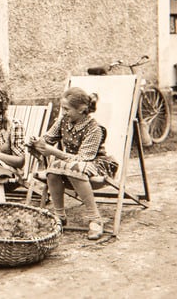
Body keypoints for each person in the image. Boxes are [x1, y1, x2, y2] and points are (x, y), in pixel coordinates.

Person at [29, 87, 118, 241]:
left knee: (72, 168)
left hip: (97, 164)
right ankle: (59, 216)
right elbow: (48, 139)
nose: (63, 112)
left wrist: (52, 151)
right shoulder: (63, 120)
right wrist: (37, 142)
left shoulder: (94, 129)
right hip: (70, 165)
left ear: (82, 109)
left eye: (66, 109)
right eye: (62, 108)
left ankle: (95, 219)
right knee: (53, 169)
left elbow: (83, 158)